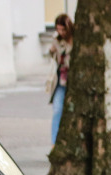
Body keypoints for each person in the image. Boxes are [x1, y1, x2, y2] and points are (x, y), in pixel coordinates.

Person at [48, 14, 73, 144]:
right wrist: (52, 51)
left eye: (63, 30)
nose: (60, 32)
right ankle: (54, 143)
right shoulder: (56, 41)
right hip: (61, 81)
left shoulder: (76, 40)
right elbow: (54, 59)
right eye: (58, 29)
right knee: (57, 109)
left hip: (74, 82)